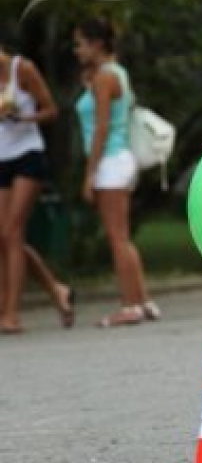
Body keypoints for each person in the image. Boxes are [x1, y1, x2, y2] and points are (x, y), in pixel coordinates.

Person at [72, 17, 160, 326]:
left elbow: (101, 127)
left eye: (80, 43)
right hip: (121, 159)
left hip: (109, 161)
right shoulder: (116, 72)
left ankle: (130, 306)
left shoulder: (103, 78)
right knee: (123, 237)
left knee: (117, 239)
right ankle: (143, 301)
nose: (76, 50)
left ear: (96, 44)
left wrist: (89, 173)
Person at [0, 45, 76, 333]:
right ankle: (57, 289)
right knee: (2, 237)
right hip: (1, 157)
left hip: (27, 154)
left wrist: (22, 118)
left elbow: (51, 110)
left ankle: (11, 313)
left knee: (12, 233)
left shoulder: (23, 69)